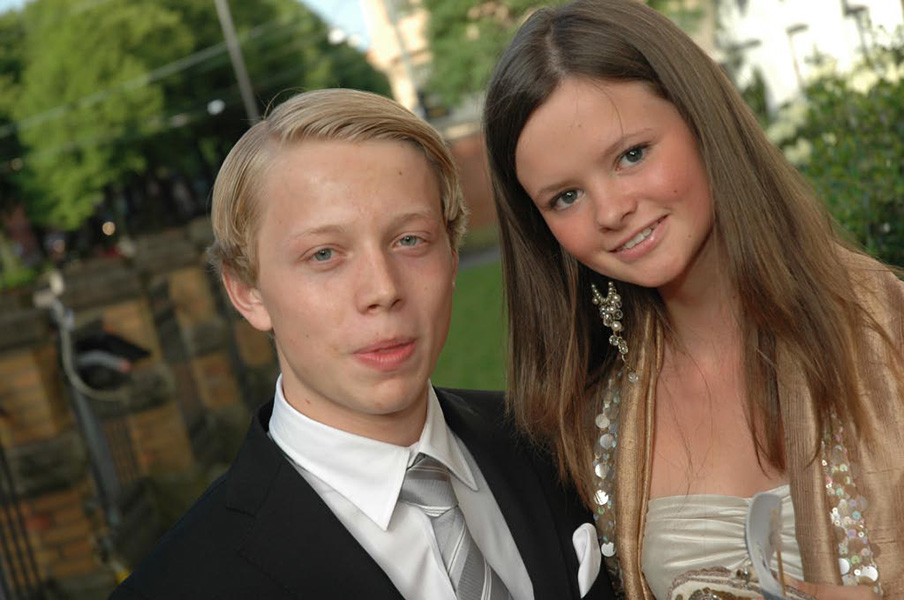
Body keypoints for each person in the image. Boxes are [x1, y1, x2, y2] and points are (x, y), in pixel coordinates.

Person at [110, 88, 611, 600]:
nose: (383, 289)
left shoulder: (559, 442)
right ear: (247, 291)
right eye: (324, 254)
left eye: (410, 240)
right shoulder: (180, 585)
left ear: (452, 254)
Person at [482, 1, 904, 600]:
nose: (611, 211)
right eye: (566, 197)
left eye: (631, 155)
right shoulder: (586, 416)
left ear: (702, 119)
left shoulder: (886, 327)